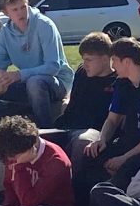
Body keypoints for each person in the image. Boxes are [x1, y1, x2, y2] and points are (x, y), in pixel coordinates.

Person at [67, 37, 140, 206]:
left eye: (115, 60)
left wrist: (125, 158)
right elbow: (112, 119)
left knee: (125, 170)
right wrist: (102, 140)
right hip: (127, 143)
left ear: (127, 62)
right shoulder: (123, 85)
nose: (113, 66)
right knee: (89, 159)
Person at [0, 0, 71, 140]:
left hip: (55, 82)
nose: (21, 12)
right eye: (14, 9)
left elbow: (53, 66)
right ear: (6, 12)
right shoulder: (5, 33)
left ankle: (47, 132)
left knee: (35, 82)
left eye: (23, 7)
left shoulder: (44, 25)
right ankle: (2, 125)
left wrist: (19, 75)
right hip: (25, 82)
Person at [43, 32, 121, 164]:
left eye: (89, 60)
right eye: (83, 60)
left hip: (95, 131)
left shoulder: (116, 82)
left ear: (105, 59)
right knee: (34, 138)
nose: (85, 64)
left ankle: (73, 177)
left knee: (82, 142)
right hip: (68, 125)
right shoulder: (82, 72)